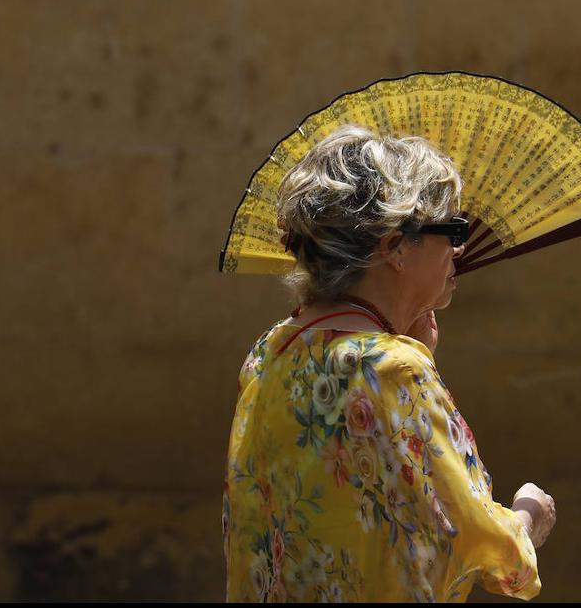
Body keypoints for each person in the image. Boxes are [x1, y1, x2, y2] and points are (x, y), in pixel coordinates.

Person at [222, 124, 556, 602]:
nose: (459, 248)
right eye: (452, 230)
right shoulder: (395, 370)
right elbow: (475, 537)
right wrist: (528, 515)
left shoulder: (270, 350)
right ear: (394, 246)